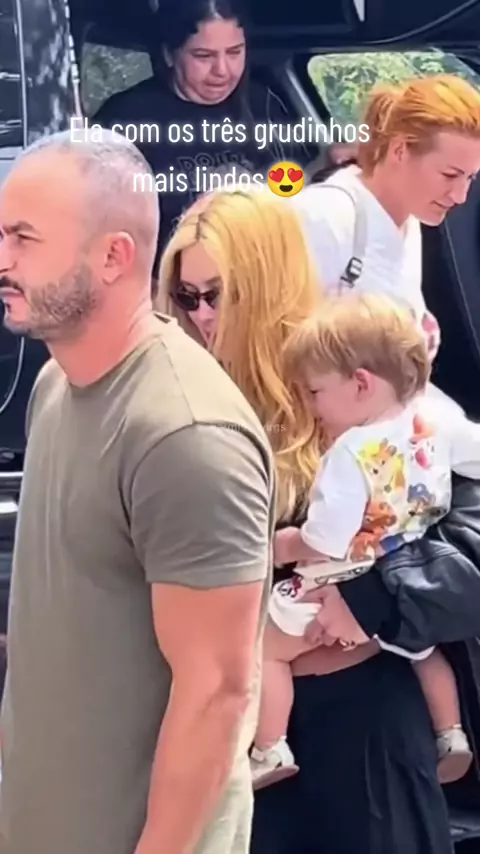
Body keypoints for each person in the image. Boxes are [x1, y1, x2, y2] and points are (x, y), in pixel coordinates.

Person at [156, 185, 480, 854]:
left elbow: (465, 532)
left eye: (219, 293)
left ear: (269, 284)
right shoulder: (173, 397)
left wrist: (372, 596)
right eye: (186, 297)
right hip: (231, 724)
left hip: (360, 719)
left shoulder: (353, 368)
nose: (202, 314)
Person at [0, 131, 276, 854]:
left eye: (25, 238)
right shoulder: (55, 385)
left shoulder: (185, 432)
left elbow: (216, 694)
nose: (3, 260)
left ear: (114, 255)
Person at [251, 293, 477, 790]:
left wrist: (285, 545)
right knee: (423, 652)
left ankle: (270, 747)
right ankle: (451, 733)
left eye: (315, 391)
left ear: (360, 383)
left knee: (265, 647)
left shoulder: (351, 452)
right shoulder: (433, 421)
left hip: (340, 580)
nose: (312, 406)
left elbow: (327, 538)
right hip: (407, 571)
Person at [93, 0, 311, 270]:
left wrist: (327, 166)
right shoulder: (124, 120)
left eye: (234, 52)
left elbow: (293, 188)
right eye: (204, 56)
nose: (222, 70)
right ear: (170, 55)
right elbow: (104, 229)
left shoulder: (261, 104)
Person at [291, 74, 480, 365]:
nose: (460, 195)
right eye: (449, 175)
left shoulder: (409, 219)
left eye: (470, 178)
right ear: (399, 150)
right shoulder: (324, 216)